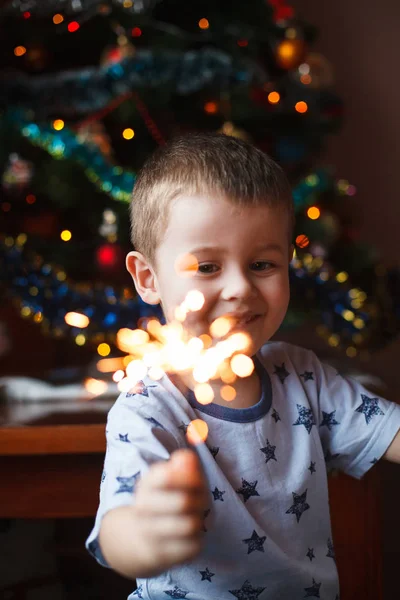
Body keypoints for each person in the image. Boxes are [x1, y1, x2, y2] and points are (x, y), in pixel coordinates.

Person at [86, 133, 400, 599]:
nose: (239, 288)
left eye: (262, 264)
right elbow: (117, 534)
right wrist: (145, 535)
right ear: (148, 279)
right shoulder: (148, 407)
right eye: (208, 267)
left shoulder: (304, 376)